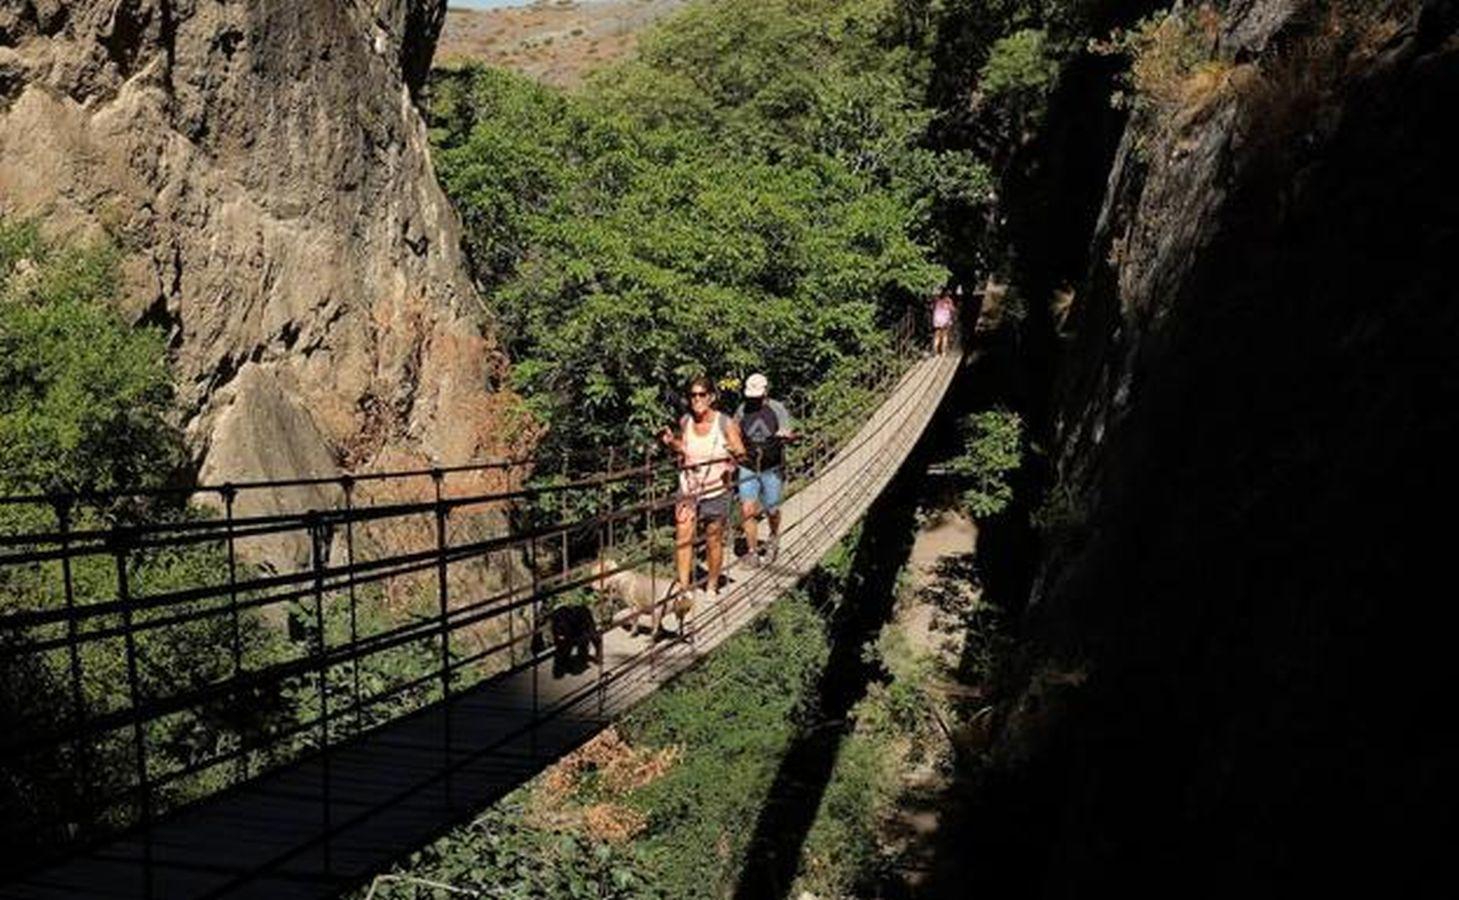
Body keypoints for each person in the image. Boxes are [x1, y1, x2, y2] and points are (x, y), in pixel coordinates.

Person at [658, 376, 746, 632]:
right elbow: (683, 448)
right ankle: (683, 589)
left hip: (717, 489)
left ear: (711, 397)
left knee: (713, 538)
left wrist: (734, 453)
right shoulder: (685, 421)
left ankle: (711, 584)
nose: (696, 399)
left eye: (701, 394)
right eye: (693, 395)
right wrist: (670, 443)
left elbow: (742, 452)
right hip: (689, 487)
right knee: (683, 535)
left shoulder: (725, 423)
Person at [734, 373, 796, 566]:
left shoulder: (777, 409)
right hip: (748, 466)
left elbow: (786, 430)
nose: (753, 399)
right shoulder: (743, 409)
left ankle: (773, 536)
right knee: (747, 509)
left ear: (765, 392)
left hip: (772, 466)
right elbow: (735, 431)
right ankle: (752, 551)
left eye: (757, 395)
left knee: (772, 509)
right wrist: (734, 450)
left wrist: (786, 437)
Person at [932, 287, 956, 355]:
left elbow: (932, 308)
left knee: (937, 335)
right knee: (945, 335)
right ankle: (943, 351)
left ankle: (935, 350)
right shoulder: (948, 301)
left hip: (937, 319)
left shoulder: (937, 300)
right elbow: (952, 309)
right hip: (945, 320)